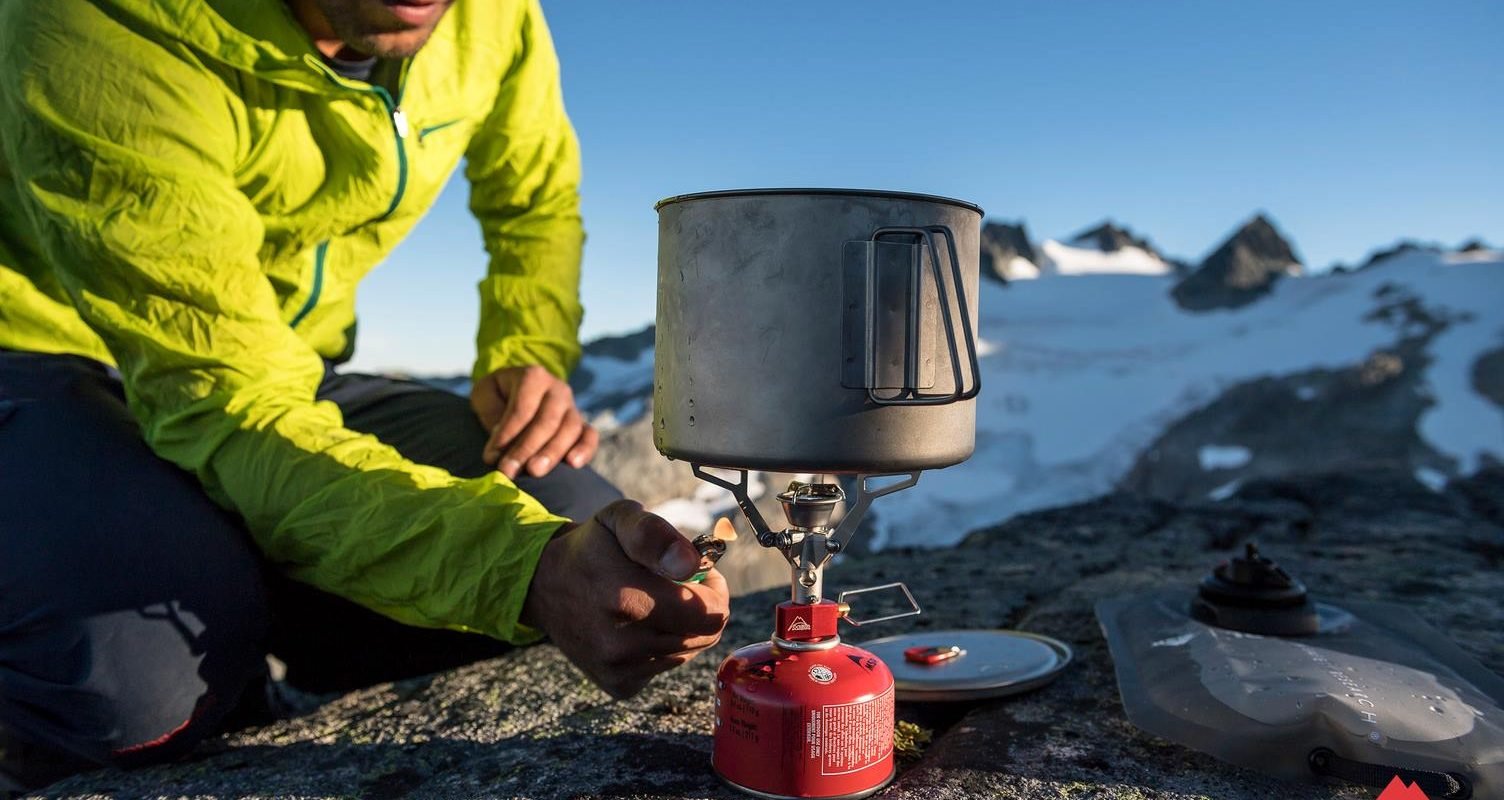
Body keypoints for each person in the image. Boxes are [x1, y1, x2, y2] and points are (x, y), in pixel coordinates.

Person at [0, 0, 729, 790]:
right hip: (46, 354)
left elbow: (533, 200)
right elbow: (231, 403)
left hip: (286, 359)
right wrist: (512, 568)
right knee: (132, 692)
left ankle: (262, 605)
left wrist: (523, 351)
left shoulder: (493, 17)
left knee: (578, 526)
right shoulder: (99, 22)